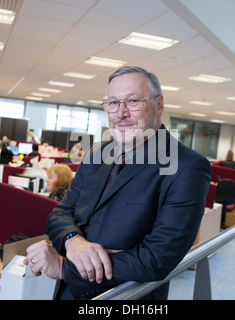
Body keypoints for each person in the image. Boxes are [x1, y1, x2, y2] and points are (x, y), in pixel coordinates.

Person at [24, 66, 211, 300]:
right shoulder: (95, 155)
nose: (120, 113)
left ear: (159, 105)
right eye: (113, 103)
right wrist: (74, 241)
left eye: (133, 101)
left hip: (126, 297)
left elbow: (156, 258)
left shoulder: (187, 167)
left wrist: (64, 267)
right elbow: (61, 213)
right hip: (67, 294)